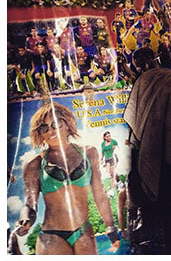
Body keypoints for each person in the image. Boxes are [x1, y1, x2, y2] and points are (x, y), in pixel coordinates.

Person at [10, 102, 119, 254]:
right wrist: (25, 220)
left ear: (67, 124)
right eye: (44, 127)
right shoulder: (34, 164)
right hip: (52, 235)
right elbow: (30, 204)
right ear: (40, 133)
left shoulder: (89, 153)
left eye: (56, 124)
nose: (50, 130)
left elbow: (99, 194)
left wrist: (110, 227)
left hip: (84, 231)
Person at [100, 131, 119, 197]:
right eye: (107, 136)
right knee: (109, 172)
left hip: (112, 158)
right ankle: (119, 182)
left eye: (109, 136)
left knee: (112, 175)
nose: (109, 137)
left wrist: (116, 160)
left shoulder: (114, 142)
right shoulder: (102, 144)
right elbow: (102, 151)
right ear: (105, 137)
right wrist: (101, 159)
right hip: (106, 160)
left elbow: (114, 150)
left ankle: (112, 191)